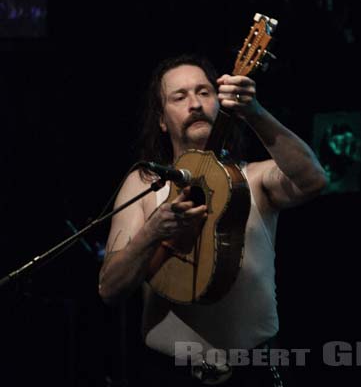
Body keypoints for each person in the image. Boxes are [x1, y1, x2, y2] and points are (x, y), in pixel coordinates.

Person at [99, 54, 327, 386]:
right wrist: (154, 231)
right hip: (166, 373)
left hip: (253, 373)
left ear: (220, 103)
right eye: (180, 96)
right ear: (162, 119)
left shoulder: (253, 178)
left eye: (204, 92)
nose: (195, 103)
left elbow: (314, 180)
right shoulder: (144, 185)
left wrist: (255, 112)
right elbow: (109, 289)